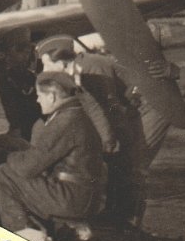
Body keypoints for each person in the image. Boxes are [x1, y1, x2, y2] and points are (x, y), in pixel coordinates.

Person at [35, 35, 142, 230]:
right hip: (117, 111)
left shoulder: (90, 68)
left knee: (126, 166)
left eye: (46, 64)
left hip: (138, 105)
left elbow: (109, 106)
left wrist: (110, 139)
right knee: (114, 166)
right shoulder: (75, 72)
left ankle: (128, 222)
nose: (44, 70)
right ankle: (113, 217)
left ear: (60, 62)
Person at [0, 72, 107, 241]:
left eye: (40, 95)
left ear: (52, 96)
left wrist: (11, 157)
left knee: (5, 174)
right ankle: (71, 227)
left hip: (72, 198)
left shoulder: (65, 120)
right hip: (87, 197)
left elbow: (28, 167)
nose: (37, 100)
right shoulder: (79, 115)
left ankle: (23, 232)